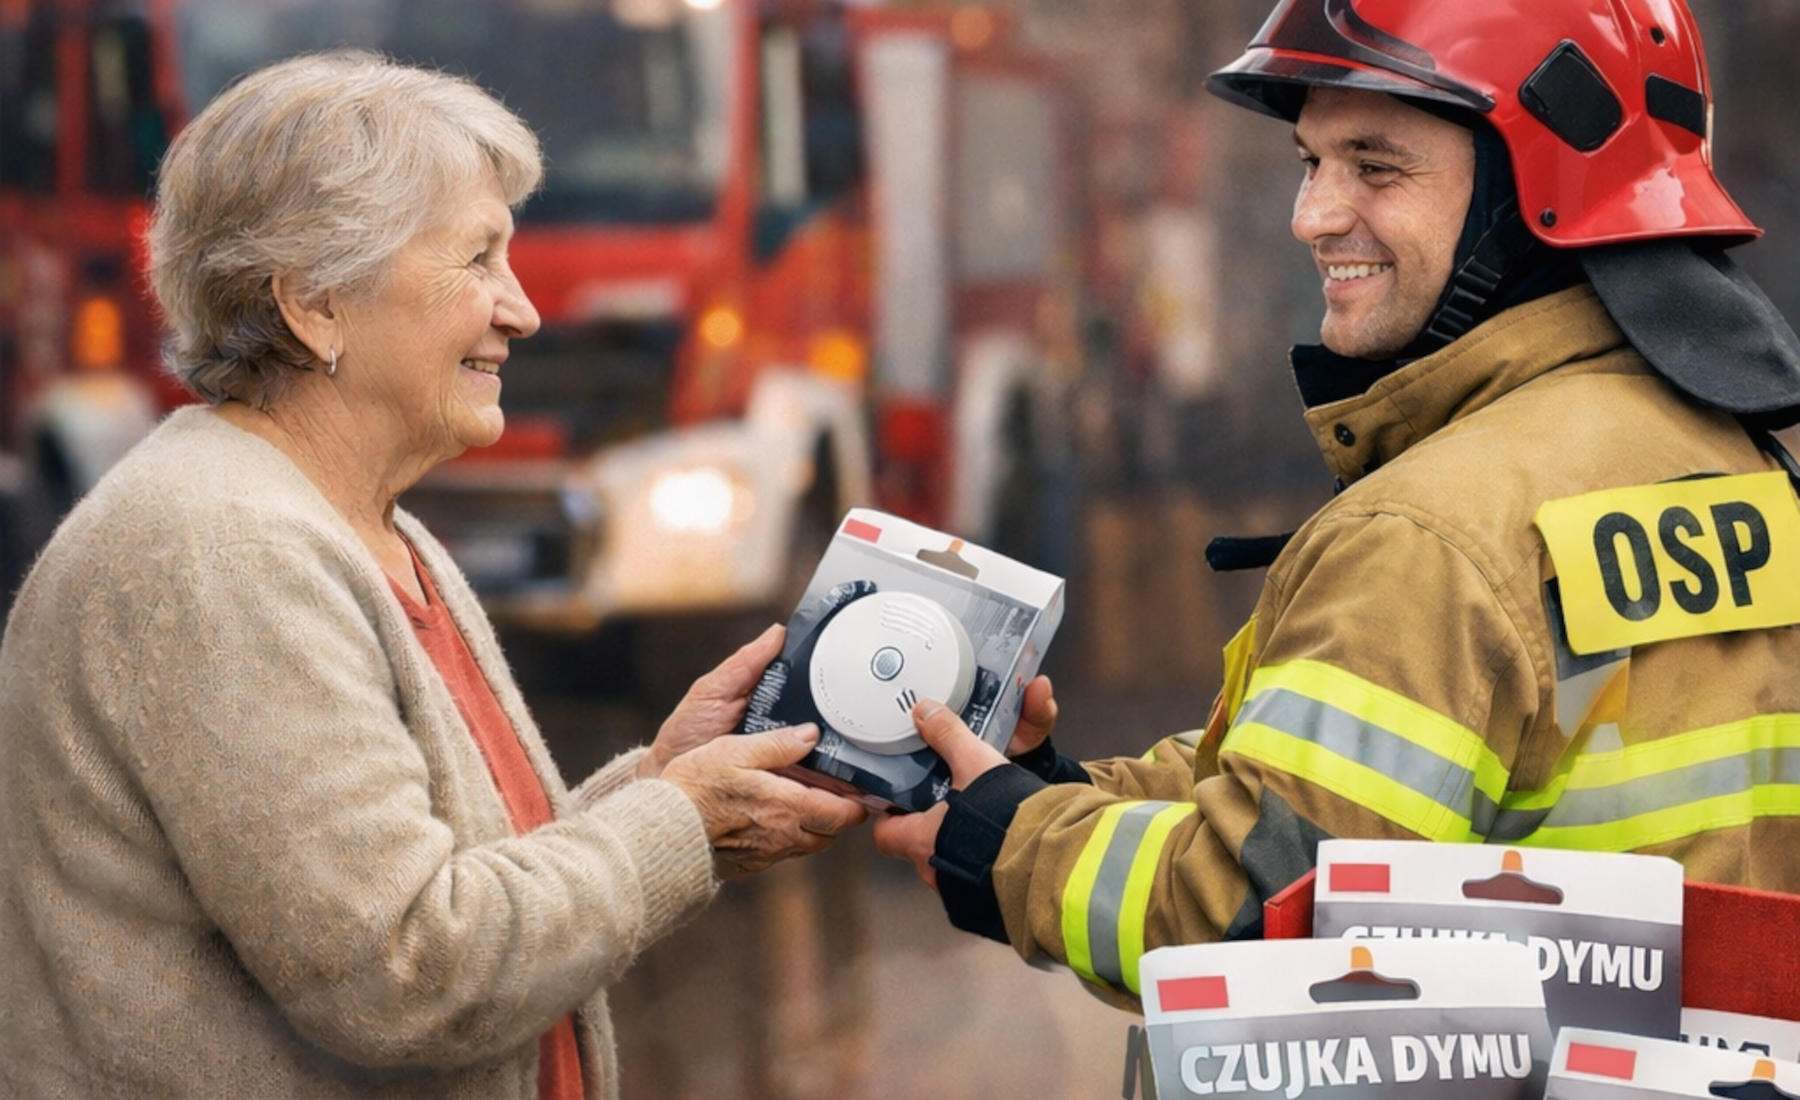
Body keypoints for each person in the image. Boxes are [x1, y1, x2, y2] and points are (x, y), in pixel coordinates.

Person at [875, 0, 1800, 1007]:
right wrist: (1052, 796)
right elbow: (1367, 787)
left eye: (1375, 164)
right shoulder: (1744, 470)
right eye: (1311, 161)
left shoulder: (1428, 538)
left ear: (1532, 189)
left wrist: (1014, 845)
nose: (1311, 215)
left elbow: (1261, 926)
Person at [0, 51, 867, 1098]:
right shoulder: (226, 556)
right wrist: (677, 823)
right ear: (316, 303)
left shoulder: (347, 520)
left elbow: (444, 875)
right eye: (477, 260)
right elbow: (407, 967)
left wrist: (657, 782)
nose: (522, 310)